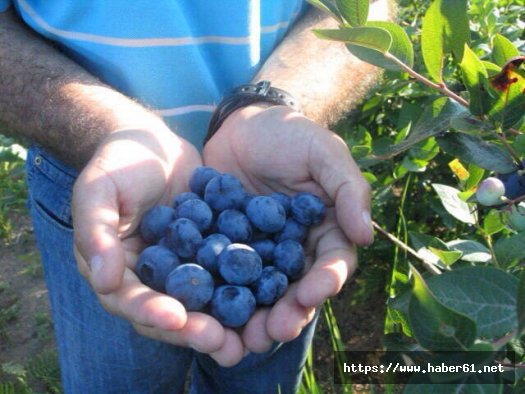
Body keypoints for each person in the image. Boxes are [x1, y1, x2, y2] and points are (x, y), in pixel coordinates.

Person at [0, 1, 391, 393]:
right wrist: (113, 127)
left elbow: (365, 8)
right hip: (99, 186)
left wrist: (275, 103)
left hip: (278, 175)